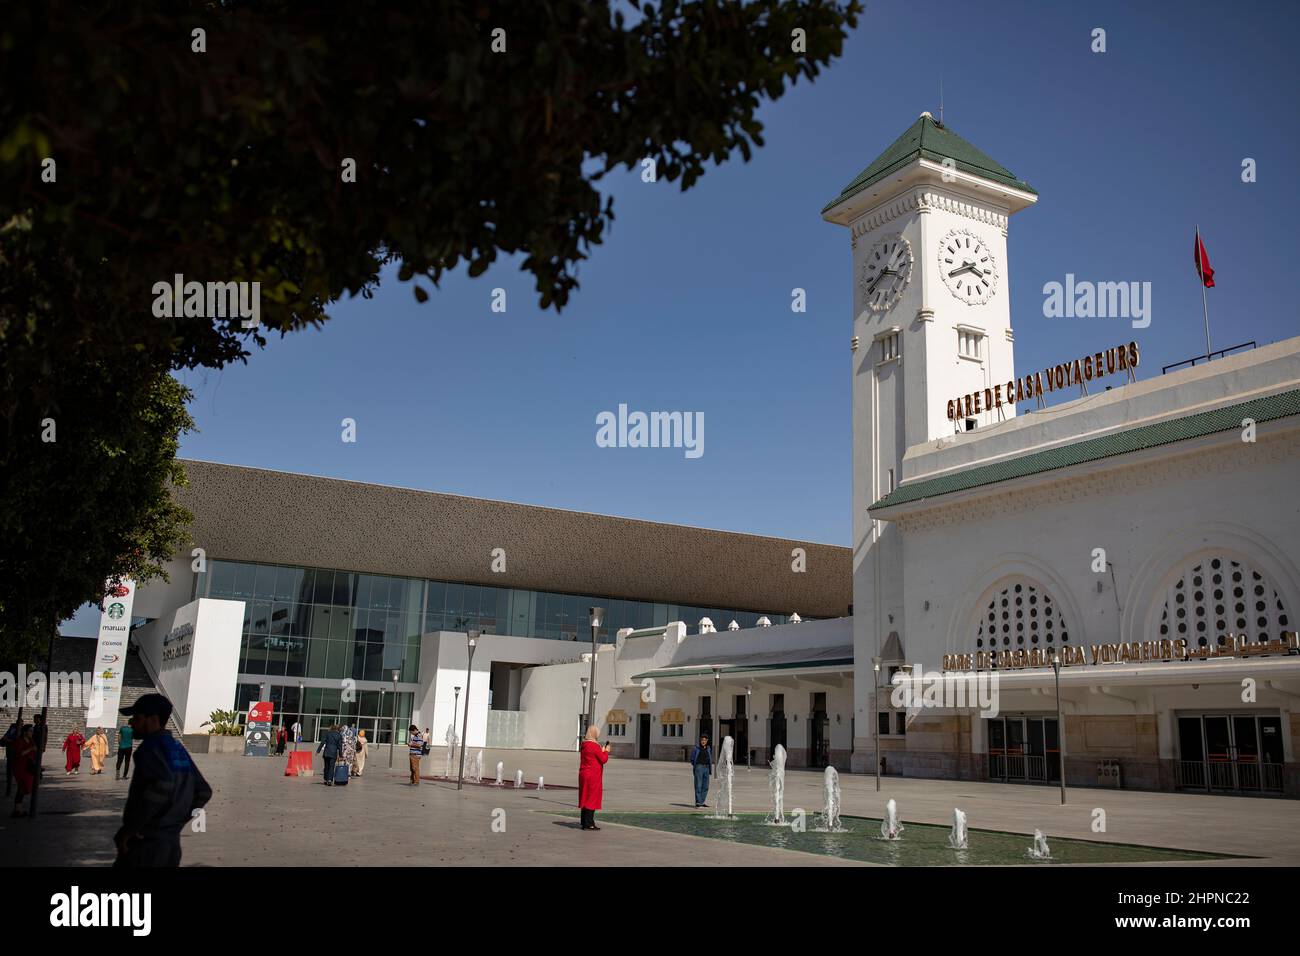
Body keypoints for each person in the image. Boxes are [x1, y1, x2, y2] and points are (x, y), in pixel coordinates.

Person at [114, 694, 212, 867]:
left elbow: (162, 785)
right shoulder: (176, 747)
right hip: (170, 845)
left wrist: (133, 828)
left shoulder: (150, 749)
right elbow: (203, 791)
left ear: (153, 720)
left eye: (137, 717)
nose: (132, 723)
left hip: (146, 846)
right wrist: (175, 824)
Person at [578, 725, 610, 831]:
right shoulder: (594, 746)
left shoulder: (584, 744)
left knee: (585, 797)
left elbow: (592, 756)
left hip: (584, 774)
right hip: (593, 775)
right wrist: (606, 751)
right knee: (591, 798)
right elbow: (603, 759)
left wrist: (600, 750)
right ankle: (589, 824)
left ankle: (584, 822)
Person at [7, 725, 37, 817]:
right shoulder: (19, 741)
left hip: (28, 766)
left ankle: (19, 809)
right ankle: (17, 810)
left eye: (32, 731)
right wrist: (30, 749)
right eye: (30, 731)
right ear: (25, 732)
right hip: (20, 766)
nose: (32, 733)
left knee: (25, 787)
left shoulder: (31, 740)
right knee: (21, 787)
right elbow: (20, 753)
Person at [689, 733, 713, 808]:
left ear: (707, 741)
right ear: (700, 740)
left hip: (706, 768)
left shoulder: (708, 748)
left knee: (705, 786)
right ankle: (698, 802)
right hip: (699, 767)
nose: (703, 741)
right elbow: (692, 759)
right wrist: (697, 766)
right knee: (698, 785)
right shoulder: (696, 748)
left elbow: (709, 757)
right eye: (702, 740)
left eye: (705, 740)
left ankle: (702, 802)